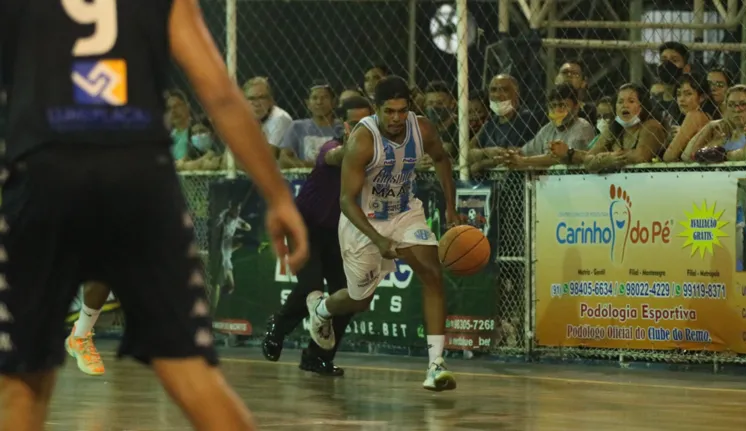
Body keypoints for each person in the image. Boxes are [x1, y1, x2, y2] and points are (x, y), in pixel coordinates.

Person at [0, 1, 309, 430]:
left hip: (43, 172)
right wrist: (278, 196)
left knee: (22, 386)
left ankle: (79, 335)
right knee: (192, 373)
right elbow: (219, 91)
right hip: (137, 175)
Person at [304, 76, 459, 391]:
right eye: (389, 112)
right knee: (360, 300)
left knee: (432, 273)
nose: (396, 118)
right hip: (364, 220)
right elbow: (346, 200)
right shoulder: (364, 140)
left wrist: (450, 208)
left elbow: (442, 159)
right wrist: (377, 239)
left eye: (402, 111)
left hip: (404, 211)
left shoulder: (423, 129)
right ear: (376, 110)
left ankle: (435, 365)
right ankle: (321, 309)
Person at [262, 96, 374, 376]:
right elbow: (340, 155)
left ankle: (317, 356)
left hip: (339, 233)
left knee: (347, 298)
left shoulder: (378, 155)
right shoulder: (332, 147)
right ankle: (278, 326)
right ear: (344, 126)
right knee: (311, 287)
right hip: (306, 226)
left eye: (366, 122)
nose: (361, 127)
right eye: (354, 123)